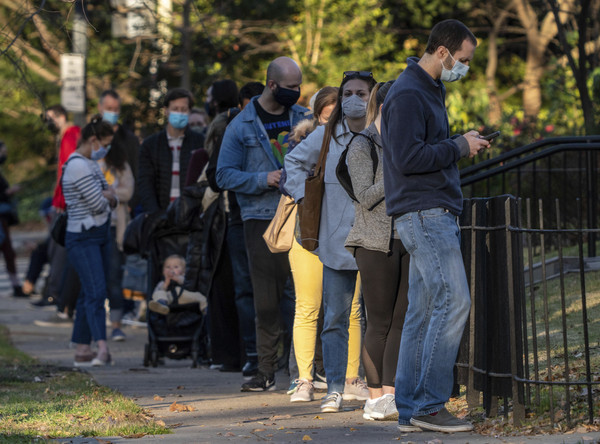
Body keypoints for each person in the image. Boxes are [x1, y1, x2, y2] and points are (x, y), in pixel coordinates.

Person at [381, 19, 489, 433]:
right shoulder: (409, 92)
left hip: (425, 211)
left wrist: (459, 141)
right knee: (454, 301)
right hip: (425, 212)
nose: (464, 67)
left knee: (423, 311)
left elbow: (420, 150)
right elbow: (408, 158)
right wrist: (460, 146)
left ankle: (411, 408)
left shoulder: (424, 89)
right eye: (462, 60)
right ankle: (428, 406)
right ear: (442, 52)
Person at [284, 70, 377, 412]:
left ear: (373, 96)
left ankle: (380, 388)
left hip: (377, 238)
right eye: (348, 92)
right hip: (336, 241)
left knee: (378, 319)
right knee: (335, 316)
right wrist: (303, 197)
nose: (354, 98)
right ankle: (334, 387)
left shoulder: (382, 134)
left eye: (362, 92)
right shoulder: (326, 136)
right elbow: (293, 162)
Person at [216, 56, 311, 391]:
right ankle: (266, 368)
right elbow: (223, 174)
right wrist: (262, 178)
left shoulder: (304, 119)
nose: (296, 93)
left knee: (303, 293)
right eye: (290, 87)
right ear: (272, 85)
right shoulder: (241, 125)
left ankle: (305, 370)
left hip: (300, 213)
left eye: (299, 86)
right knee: (267, 298)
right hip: (261, 217)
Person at [344, 80, 409, 421]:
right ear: (387, 107)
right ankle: (373, 398)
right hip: (373, 242)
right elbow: (365, 196)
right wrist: (399, 173)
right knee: (379, 322)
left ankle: (391, 395)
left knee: (401, 320)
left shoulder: (406, 143)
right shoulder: (361, 144)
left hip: (407, 237)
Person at [62, 115, 117, 367]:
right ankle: (102, 348)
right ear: (93, 139)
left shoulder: (91, 163)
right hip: (83, 235)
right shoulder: (77, 166)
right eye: (104, 143)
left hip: (98, 233)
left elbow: (110, 196)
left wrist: (107, 195)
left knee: (88, 292)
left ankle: (82, 348)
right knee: (96, 292)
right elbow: (99, 202)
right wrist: (107, 196)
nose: (105, 149)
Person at [33, 105, 82, 325]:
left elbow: (69, 170)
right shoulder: (67, 136)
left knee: (59, 250)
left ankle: (57, 295)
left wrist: (62, 201)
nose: (49, 123)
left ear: (61, 117)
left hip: (65, 204)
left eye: (51, 119)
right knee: (55, 250)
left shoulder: (70, 136)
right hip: (61, 201)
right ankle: (54, 293)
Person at [96, 113, 135, 342]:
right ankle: (95, 326)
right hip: (92, 226)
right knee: (94, 279)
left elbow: (128, 191)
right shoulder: (88, 162)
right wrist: (110, 193)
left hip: (113, 226)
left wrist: (108, 193)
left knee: (113, 276)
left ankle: (116, 324)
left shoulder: (120, 164)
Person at [137, 88, 204, 214]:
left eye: (183, 110)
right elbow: (145, 183)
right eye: (175, 109)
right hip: (160, 215)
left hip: (191, 216)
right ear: (166, 111)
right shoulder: (150, 145)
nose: (179, 113)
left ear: (189, 111)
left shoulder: (200, 142)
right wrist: (155, 216)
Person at [0, 140, 24, 297]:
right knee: (7, 251)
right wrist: (7, 193)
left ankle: (16, 286)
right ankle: (16, 286)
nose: (4, 155)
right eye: (3, 151)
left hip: (3, 218)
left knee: (9, 252)